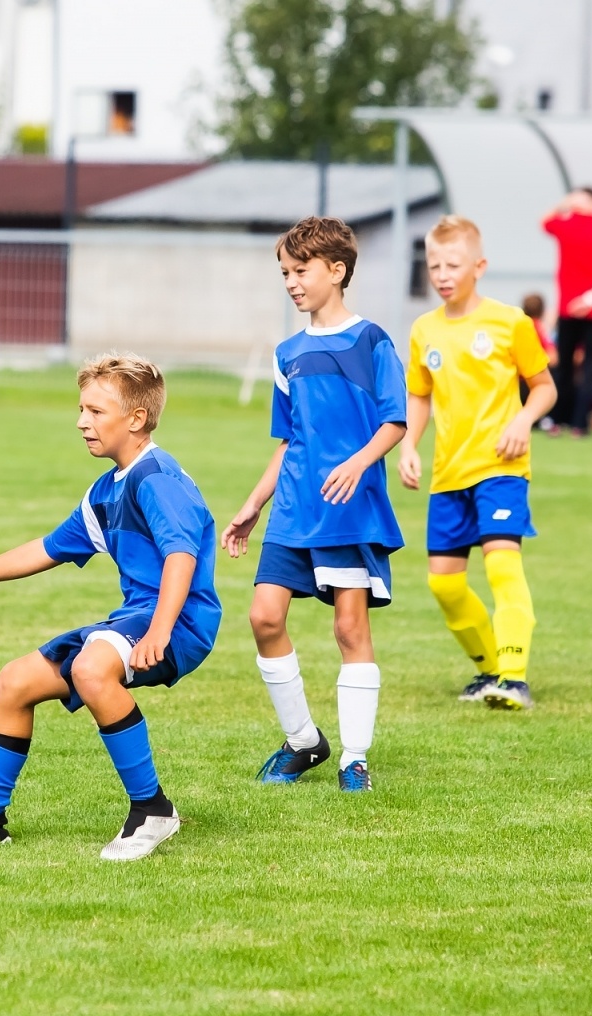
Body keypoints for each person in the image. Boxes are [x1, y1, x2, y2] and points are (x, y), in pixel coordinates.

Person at [0, 354, 219, 860]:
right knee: (14, 682)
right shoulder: (107, 489)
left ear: (136, 420)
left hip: (178, 620)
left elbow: (180, 557)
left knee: (92, 669)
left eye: (97, 412)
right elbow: (47, 549)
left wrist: (160, 632)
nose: (82, 421)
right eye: (81, 409)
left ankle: (152, 811)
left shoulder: (156, 476)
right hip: (139, 618)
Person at [224, 216, 406, 793]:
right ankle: (304, 741)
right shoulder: (288, 353)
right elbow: (291, 440)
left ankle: (354, 758)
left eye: (300, 270)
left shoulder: (370, 340)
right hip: (294, 510)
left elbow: (395, 420)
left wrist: (358, 461)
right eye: (285, 272)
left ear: (337, 269)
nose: (291, 282)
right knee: (263, 617)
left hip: (348, 510)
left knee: (350, 629)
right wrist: (253, 503)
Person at [399, 216, 557, 712]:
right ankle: (489, 668)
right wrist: (409, 445)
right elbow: (419, 396)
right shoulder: (424, 330)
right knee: (443, 584)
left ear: (479, 266)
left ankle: (513, 677)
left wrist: (523, 420)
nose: (442, 274)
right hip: (449, 474)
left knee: (503, 569)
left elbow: (546, 387)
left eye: (453, 264)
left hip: (501, 469)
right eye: (434, 265)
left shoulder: (511, 323)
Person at [542, 187, 592, 436]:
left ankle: (557, 420)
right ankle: (579, 423)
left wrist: (564, 202)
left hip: (574, 309)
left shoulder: (569, 225)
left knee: (565, 367)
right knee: (587, 367)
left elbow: (544, 221)